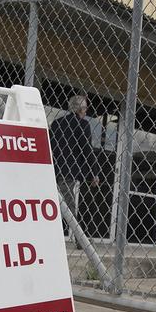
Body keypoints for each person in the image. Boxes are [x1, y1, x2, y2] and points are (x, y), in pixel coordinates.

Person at [50, 95, 99, 246]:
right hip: (68, 171)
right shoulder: (82, 125)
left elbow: (50, 145)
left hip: (54, 169)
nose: (86, 111)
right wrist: (94, 172)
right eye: (84, 108)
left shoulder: (57, 123)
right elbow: (86, 149)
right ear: (79, 109)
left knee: (56, 203)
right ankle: (81, 240)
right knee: (69, 206)